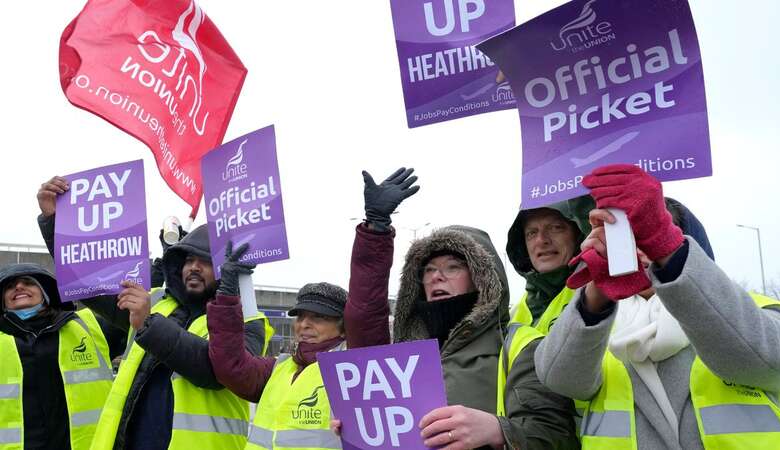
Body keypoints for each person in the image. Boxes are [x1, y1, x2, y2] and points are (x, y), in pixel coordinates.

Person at [535, 164, 780, 449]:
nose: (640, 250)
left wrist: (668, 248)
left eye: (648, 237)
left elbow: (763, 365)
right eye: (630, 240)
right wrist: (598, 287)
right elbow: (561, 380)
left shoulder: (759, 309)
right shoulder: (600, 325)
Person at [340, 168, 579, 450]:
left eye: (452, 267)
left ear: (481, 278)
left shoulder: (521, 347)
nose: (436, 277)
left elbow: (556, 435)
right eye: (428, 270)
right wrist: (360, 424)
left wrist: (499, 431)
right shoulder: (404, 356)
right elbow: (364, 318)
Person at [36, 177, 269, 450]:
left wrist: (148, 323)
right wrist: (54, 221)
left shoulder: (249, 322)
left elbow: (214, 371)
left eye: (204, 262)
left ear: (226, 270)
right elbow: (91, 284)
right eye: (187, 260)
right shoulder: (156, 301)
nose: (193, 267)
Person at [208, 280, 371, 450]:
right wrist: (226, 298)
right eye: (300, 316)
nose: (304, 324)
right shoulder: (279, 367)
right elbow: (230, 366)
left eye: (318, 317)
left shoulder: (352, 373)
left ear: (343, 328)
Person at [0, 263, 114, 450]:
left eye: (28, 282)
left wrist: (161, 269)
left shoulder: (88, 327)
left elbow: (134, 320)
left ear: (46, 293)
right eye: (10, 286)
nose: (19, 287)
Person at [505, 196, 594, 331]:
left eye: (556, 227)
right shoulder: (511, 317)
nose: (541, 240)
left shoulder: (607, 293)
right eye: (532, 233)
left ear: (578, 235)